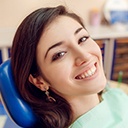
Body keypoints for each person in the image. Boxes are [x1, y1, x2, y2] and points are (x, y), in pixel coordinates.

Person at [11, 5, 128, 128]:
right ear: (39, 81)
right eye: (60, 54)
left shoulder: (110, 94)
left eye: (82, 39)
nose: (85, 56)